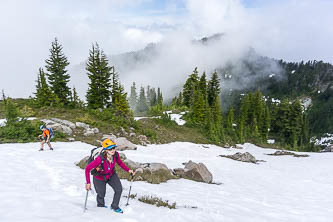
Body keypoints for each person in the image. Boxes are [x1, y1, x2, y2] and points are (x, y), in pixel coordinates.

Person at [85, 138, 135, 213]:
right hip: (99, 177)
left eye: (113, 148)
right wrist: (88, 182)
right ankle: (101, 207)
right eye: (110, 149)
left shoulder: (116, 155)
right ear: (105, 150)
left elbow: (120, 163)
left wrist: (128, 170)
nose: (112, 150)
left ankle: (115, 206)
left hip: (111, 174)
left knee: (119, 189)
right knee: (101, 194)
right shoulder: (99, 159)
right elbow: (87, 169)